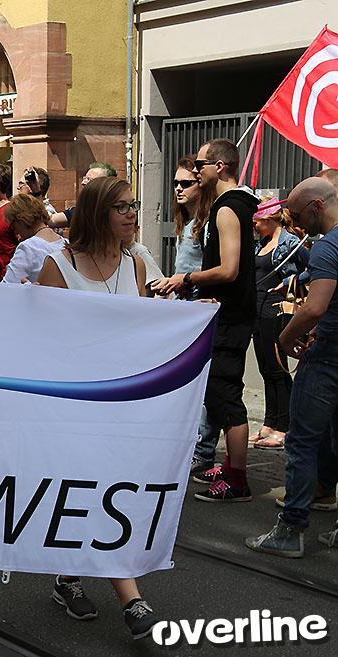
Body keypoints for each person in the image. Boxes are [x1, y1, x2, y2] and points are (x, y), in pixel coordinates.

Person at [37, 176, 157, 640]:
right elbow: (43, 343)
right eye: (120, 207)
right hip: (75, 403)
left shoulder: (136, 264)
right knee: (94, 488)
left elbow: (147, 329)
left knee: (106, 490)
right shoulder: (58, 265)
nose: (131, 214)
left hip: (123, 402)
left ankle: (67, 576)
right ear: (95, 213)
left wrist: (189, 320)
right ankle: (131, 597)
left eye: (133, 204)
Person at [162, 139, 259, 502]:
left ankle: (237, 480)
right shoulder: (241, 203)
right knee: (219, 395)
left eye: (201, 164)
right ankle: (231, 466)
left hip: (230, 316)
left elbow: (230, 269)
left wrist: (186, 279)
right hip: (230, 311)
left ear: (219, 166)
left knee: (226, 398)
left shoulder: (227, 208)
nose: (196, 170)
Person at [247, 177, 338, 557]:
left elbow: (315, 305)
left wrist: (285, 338)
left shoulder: (325, 248)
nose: (297, 224)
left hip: (328, 358)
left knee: (301, 441)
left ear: (317, 206)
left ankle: (290, 530)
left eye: (298, 215)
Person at [246, 198, 309, 450]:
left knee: (277, 369)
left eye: (257, 222)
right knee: (265, 369)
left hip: (277, 311)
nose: (255, 227)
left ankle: (285, 426)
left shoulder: (290, 244)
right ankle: (269, 422)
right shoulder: (260, 244)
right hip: (258, 312)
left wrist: (291, 281)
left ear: (271, 220)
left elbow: (311, 268)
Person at [2, 192, 66, 283]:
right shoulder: (66, 243)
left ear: (21, 220)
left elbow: (7, 288)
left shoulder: (28, 248)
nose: (16, 232)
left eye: (13, 226)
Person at [48, 162, 116, 229]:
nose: (83, 183)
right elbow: (51, 220)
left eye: (89, 179)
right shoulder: (81, 211)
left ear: (105, 186)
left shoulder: (118, 211)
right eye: (84, 178)